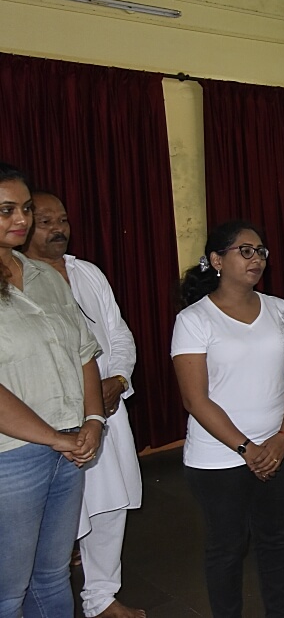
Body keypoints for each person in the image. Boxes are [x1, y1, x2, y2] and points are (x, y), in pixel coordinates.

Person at [171, 220, 284, 618]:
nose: (257, 259)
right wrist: (247, 448)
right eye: (245, 251)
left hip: (276, 449)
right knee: (227, 549)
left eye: (261, 251)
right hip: (219, 458)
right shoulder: (194, 320)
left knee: (274, 541)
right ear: (216, 260)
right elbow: (195, 400)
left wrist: (283, 437)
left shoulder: (281, 309)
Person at [23, 191, 146, 618]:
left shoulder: (86, 272)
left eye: (63, 220)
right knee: (62, 517)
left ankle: (101, 599)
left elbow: (118, 334)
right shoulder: (18, 282)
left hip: (108, 410)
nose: (58, 228)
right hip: (53, 422)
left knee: (110, 503)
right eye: (46, 221)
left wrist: (118, 380)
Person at [0, 163, 105, 618]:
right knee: (8, 592)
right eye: (6, 210)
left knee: (53, 576)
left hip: (68, 448)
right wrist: (56, 437)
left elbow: (83, 352)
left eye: (24, 209)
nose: (21, 220)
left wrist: (94, 420)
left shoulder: (44, 275)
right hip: (11, 456)